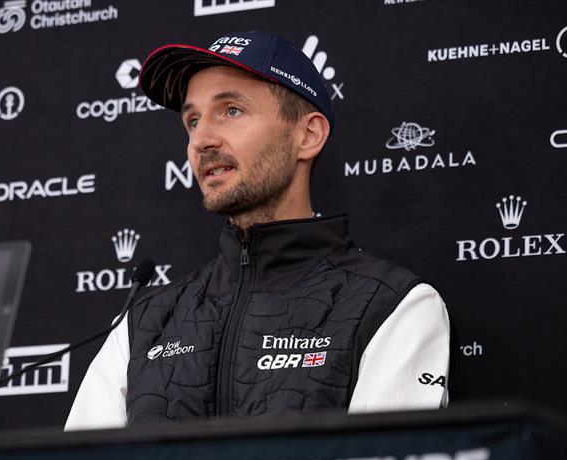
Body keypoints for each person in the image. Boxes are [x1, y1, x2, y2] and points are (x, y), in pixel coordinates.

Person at [65, 31, 451, 430]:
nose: (201, 140)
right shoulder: (142, 323)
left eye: (231, 110)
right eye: (192, 120)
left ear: (308, 135)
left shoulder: (391, 305)